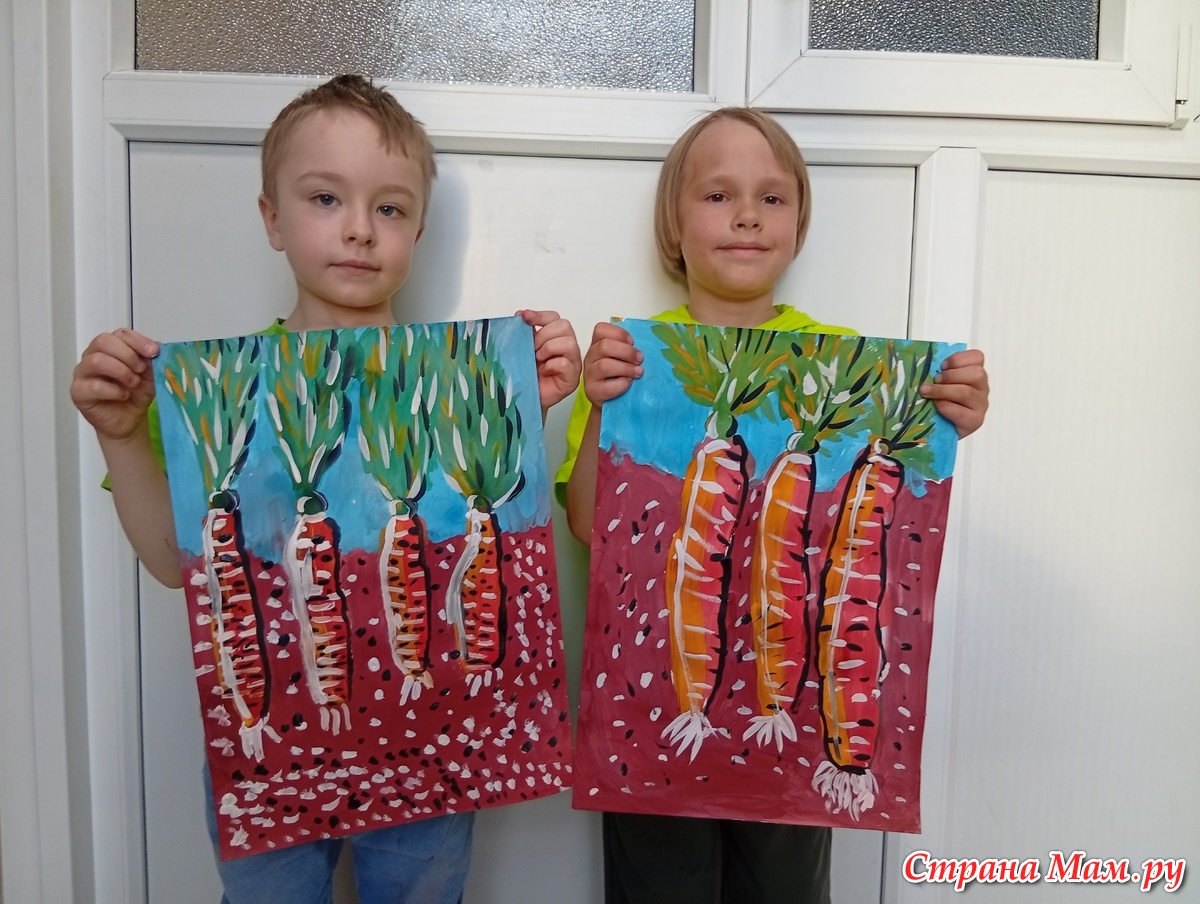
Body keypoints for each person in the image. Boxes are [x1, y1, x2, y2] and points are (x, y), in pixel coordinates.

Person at [70, 73, 582, 904]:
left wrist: (525, 403)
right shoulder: (219, 396)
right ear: (272, 219)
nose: (358, 229)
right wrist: (121, 433)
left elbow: (493, 537)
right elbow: (173, 562)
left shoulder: (457, 385)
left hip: (434, 737)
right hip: (265, 746)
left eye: (390, 208)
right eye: (324, 199)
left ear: (418, 229)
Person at [557, 107, 988, 903]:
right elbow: (588, 523)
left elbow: (891, 504)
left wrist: (949, 412)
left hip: (794, 711)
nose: (748, 215)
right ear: (674, 226)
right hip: (653, 711)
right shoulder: (627, 359)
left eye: (772, 197)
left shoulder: (847, 362)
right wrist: (601, 402)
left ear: (799, 222)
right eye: (718, 195)